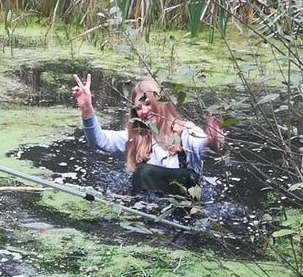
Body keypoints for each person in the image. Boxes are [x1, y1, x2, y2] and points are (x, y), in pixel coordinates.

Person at [72, 74, 224, 196]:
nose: (144, 111)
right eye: (138, 108)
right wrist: (87, 110)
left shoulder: (186, 132)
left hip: (182, 218)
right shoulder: (136, 137)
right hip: (144, 215)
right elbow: (100, 142)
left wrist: (213, 140)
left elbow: (204, 144)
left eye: (148, 103)